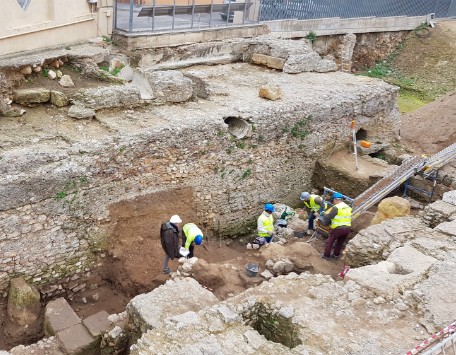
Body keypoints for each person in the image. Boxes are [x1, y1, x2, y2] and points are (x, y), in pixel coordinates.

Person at [320, 192, 352, 260]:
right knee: (340, 242)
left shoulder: (336, 207)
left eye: (333, 200)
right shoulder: (348, 207)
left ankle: (326, 255)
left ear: (336, 199)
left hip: (338, 228)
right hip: (347, 228)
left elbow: (328, 217)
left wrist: (323, 213)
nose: (333, 202)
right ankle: (336, 255)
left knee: (330, 241)